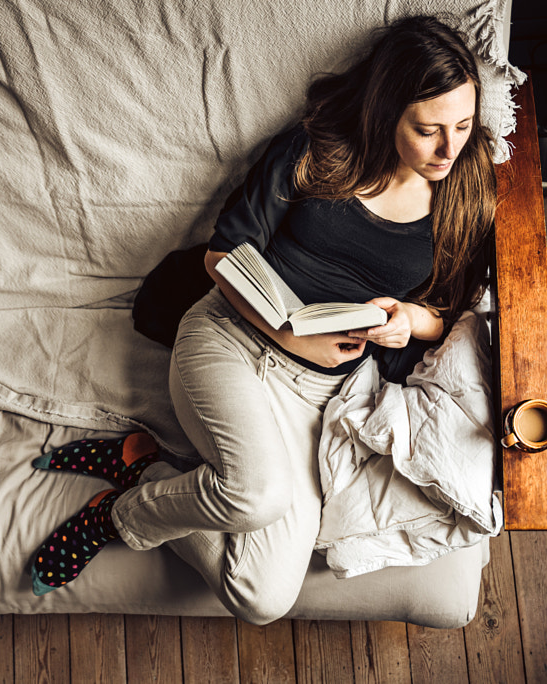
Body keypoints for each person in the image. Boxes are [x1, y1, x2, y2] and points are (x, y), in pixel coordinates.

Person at [27, 14, 497, 625]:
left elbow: (455, 312)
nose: (448, 148)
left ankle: (141, 465)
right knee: (256, 495)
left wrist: (410, 321)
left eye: (462, 125)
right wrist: (291, 332)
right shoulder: (317, 148)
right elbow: (223, 255)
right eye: (428, 129)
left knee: (262, 599)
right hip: (233, 338)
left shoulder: (465, 187)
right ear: (387, 112)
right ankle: (117, 519)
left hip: (320, 396)